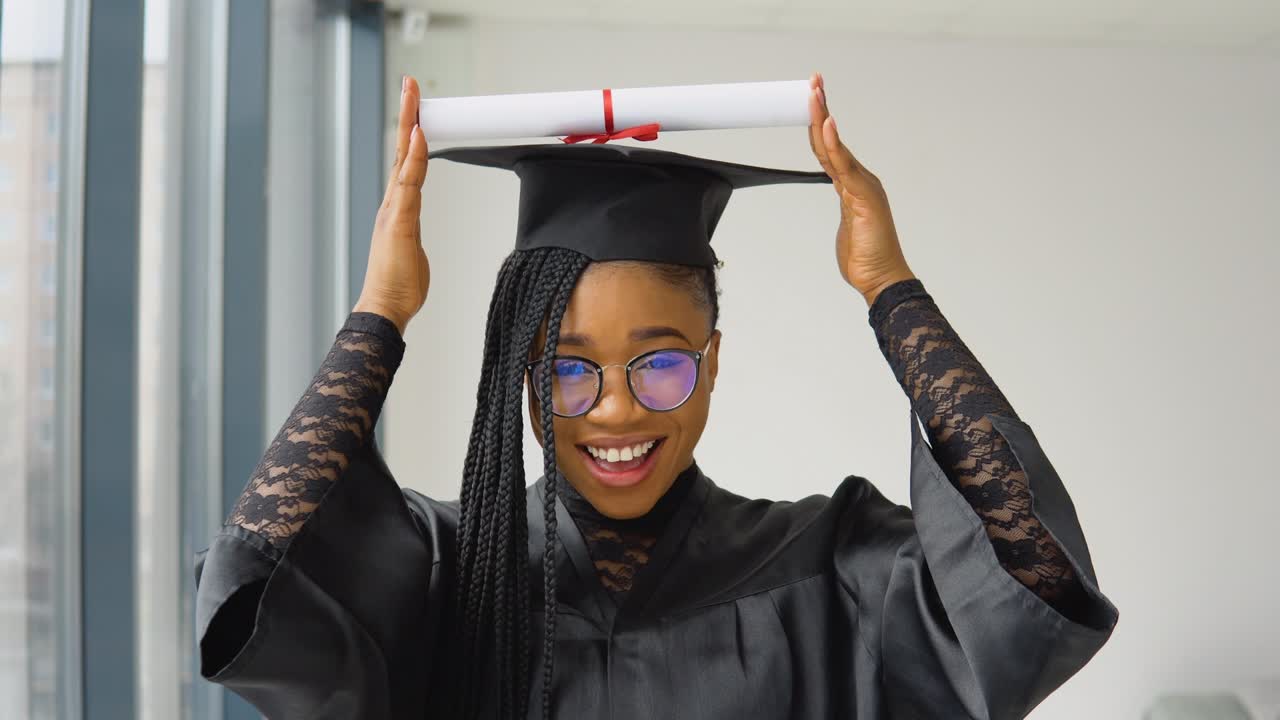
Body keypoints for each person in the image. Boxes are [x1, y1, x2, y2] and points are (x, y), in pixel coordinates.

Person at [194, 74, 1118, 720]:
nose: (616, 411)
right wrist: (379, 316)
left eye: (661, 362)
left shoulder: (831, 567)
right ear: (521, 372)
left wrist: (892, 292)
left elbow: (1029, 585)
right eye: (566, 367)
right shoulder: (443, 575)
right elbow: (257, 592)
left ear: (712, 362)